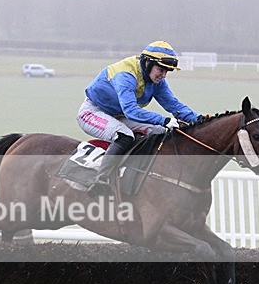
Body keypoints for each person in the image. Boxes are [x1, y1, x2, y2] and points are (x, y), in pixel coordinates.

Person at [77, 41, 200, 196]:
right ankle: (101, 180)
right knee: (125, 136)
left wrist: (199, 120)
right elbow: (131, 111)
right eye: (161, 69)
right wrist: (165, 120)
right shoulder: (126, 75)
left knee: (160, 132)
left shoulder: (157, 81)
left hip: (119, 116)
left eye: (167, 71)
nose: (163, 75)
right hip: (93, 112)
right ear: (147, 62)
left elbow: (173, 105)